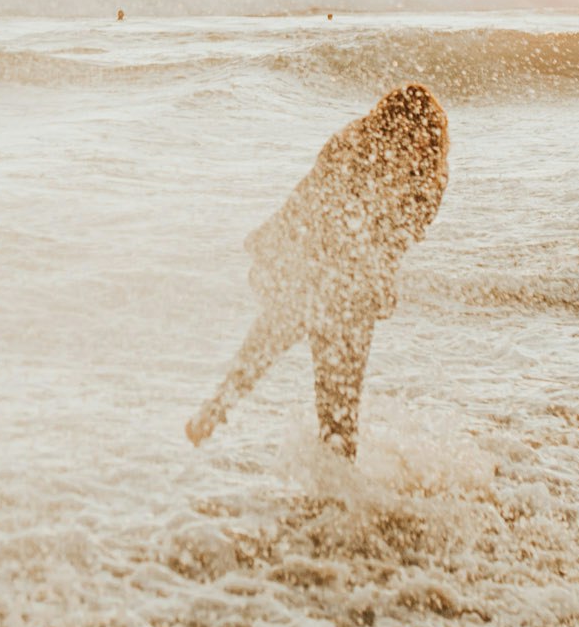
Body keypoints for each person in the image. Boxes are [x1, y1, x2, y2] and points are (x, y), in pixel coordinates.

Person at [186, 84, 449, 458]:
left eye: (424, 139)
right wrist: (273, 238)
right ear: (390, 129)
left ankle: (336, 494)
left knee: (339, 407)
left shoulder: (431, 178)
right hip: (312, 271)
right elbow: (309, 195)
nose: (417, 147)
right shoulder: (353, 144)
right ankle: (215, 411)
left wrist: (379, 275)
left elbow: (403, 237)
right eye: (408, 136)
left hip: (354, 294)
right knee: (263, 346)